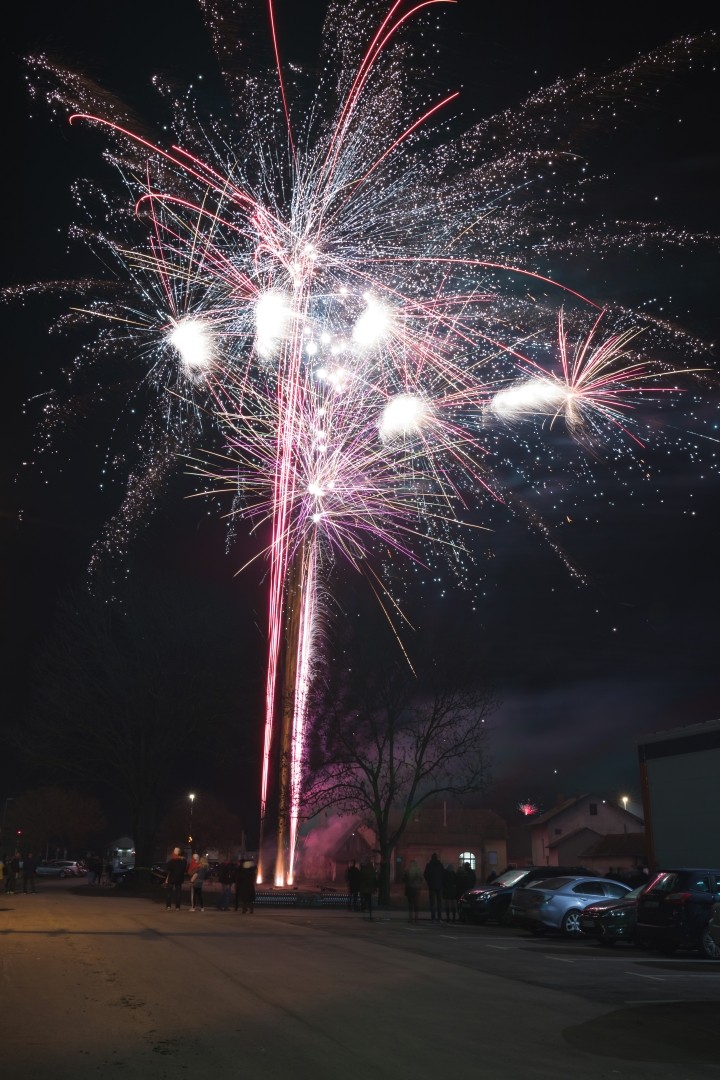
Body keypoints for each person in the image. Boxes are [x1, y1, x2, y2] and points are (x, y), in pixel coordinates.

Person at [423, 852, 444, 922]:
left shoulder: (429, 865)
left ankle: (433, 917)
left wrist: (429, 882)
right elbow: (443, 875)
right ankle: (439, 917)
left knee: (432, 902)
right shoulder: (440, 865)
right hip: (439, 885)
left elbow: (425, 875)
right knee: (439, 902)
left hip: (432, 885)